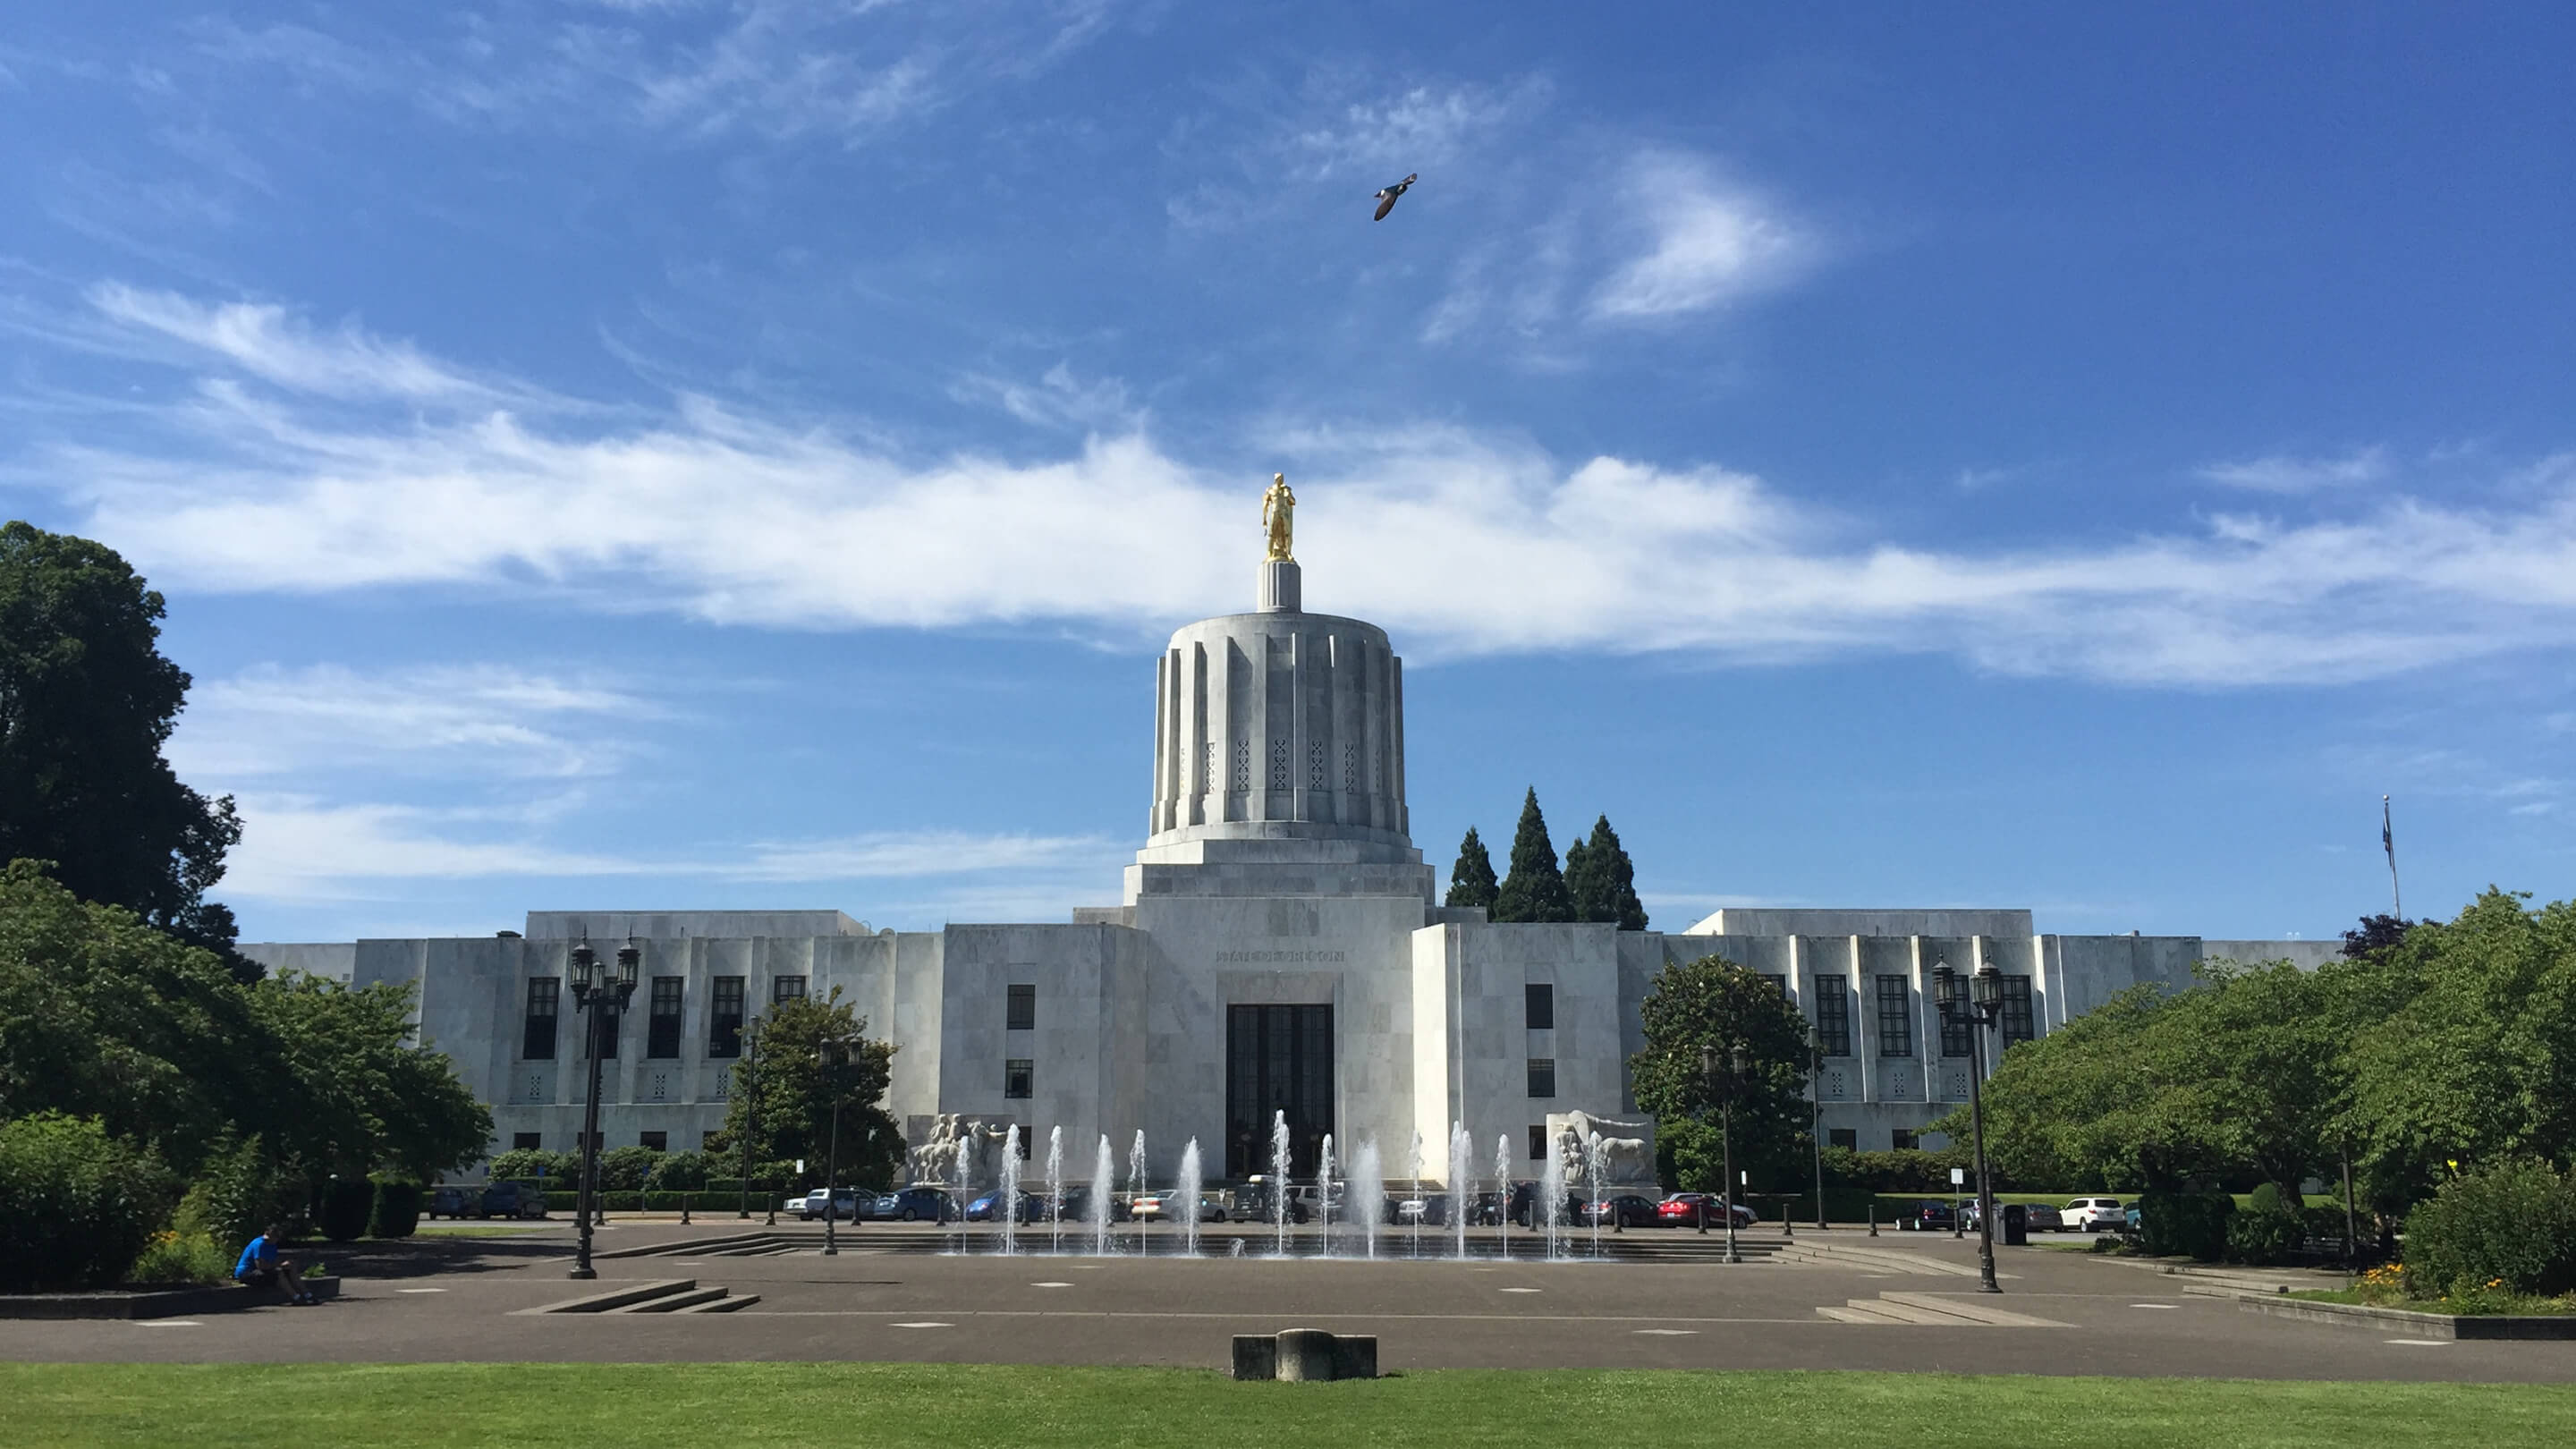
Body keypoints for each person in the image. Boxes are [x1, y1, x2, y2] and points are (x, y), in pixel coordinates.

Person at [233, 1224, 315, 1305]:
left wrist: (285, 1264)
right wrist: (281, 1266)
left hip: (261, 1271)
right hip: (247, 1274)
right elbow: (261, 1266)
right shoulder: (260, 1244)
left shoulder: (272, 1245)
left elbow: (274, 1261)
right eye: (275, 1237)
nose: (277, 1239)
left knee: (291, 1266)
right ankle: (296, 1298)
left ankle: (308, 1295)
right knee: (278, 1273)